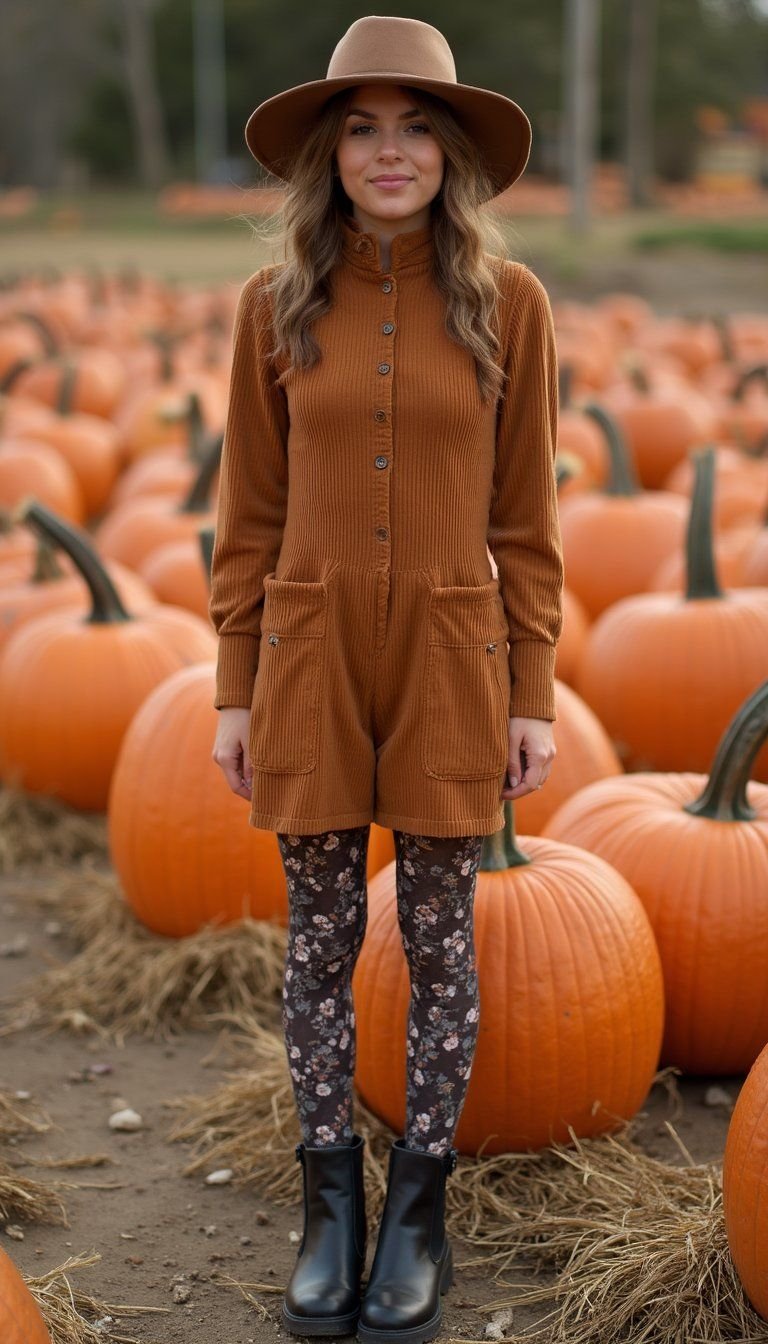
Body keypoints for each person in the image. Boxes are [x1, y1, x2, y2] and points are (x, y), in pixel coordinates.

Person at [209, 15, 564, 1344]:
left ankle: (417, 1210)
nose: (390, 149)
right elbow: (245, 515)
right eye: (361, 126)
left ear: (454, 151)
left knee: (438, 942)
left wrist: (531, 690)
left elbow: (528, 520)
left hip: (451, 656)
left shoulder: (510, 305)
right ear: (328, 153)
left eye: (415, 125)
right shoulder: (274, 307)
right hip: (307, 659)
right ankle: (329, 1210)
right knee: (313, 941)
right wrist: (234, 686)